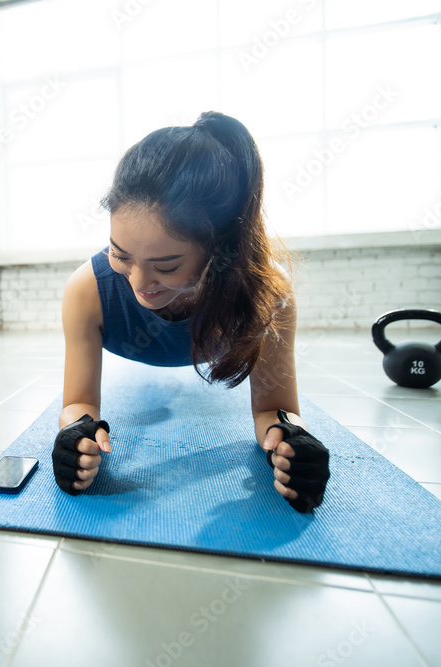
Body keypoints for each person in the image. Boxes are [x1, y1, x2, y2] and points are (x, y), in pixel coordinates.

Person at [52, 111, 330, 513]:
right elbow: (78, 405)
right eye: (120, 254)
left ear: (220, 249)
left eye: (165, 266)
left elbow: (274, 410)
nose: (139, 283)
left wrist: (292, 443)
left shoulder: (267, 295)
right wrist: (75, 435)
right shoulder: (87, 291)